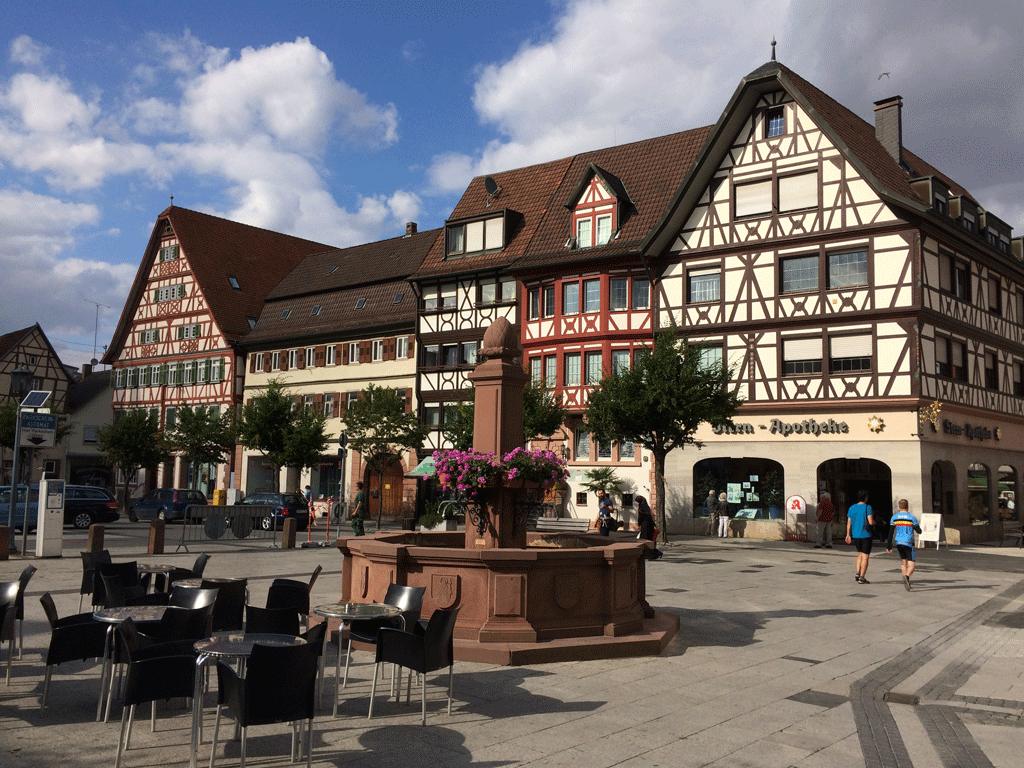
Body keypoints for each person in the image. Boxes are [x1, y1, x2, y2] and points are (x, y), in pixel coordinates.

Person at [887, 499, 922, 590]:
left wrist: (888, 545)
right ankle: (906, 577)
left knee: (903, 561)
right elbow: (918, 531)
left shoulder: (894, 517)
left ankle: (905, 578)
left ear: (899, 506)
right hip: (909, 543)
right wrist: (921, 529)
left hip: (898, 542)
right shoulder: (911, 517)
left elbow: (890, 533)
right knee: (912, 564)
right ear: (907, 506)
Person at [845, 490, 875, 584]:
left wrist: (848, 534)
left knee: (859, 554)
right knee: (865, 555)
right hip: (866, 535)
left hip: (856, 535)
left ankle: (858, 572)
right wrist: (876, 522)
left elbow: (849, 522)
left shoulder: (852, 508)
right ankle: (862, 577)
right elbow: (870, 522)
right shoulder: (868, 507)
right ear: (866, 497)